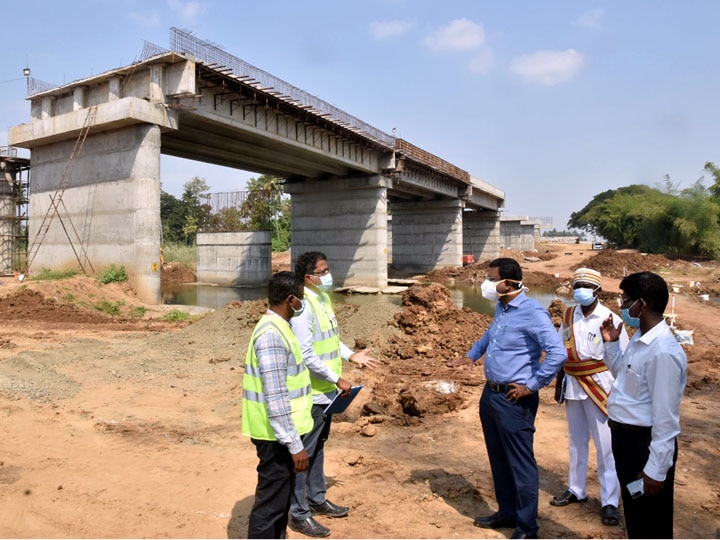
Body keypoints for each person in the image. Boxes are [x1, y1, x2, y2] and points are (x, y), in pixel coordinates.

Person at [447, 257, 566, 539]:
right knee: (498, 457)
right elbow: (491, 336)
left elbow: (558, 353)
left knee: (521, 464)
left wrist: (532, 386)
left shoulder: (533, 313)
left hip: (515, 399)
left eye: (491, 279)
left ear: (509, 283)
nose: (486, 284)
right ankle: (507, 512)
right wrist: (471, 356)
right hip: (492, 395)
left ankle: (527, 527)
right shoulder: (502, 308)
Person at [288, 251, 382, 538]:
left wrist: (351, 355)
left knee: (318, 448)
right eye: (323, 270)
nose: (328, 275)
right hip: (311, 393)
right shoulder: (302, 306)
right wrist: (337, 378)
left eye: (328, 269)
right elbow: (305, 353)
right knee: (303, 454)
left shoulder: (322, 299)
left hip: (327, 391)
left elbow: (329, 341)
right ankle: (298, 512)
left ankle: (317, 499)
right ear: (308, 277)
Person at [600, 271, 687, 538]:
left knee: (652, 524)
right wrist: (612, 344)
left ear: (643, 304)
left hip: (644, 446)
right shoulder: (639, 338)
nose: (623, 307)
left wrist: (655, 470)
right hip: (626, 442)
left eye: (626, 301)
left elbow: (666, 418)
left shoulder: (663, 351)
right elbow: (625, 381)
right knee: (637, 518)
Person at [550, 268, 627, 527]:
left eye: (584, 285)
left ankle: (609, 501)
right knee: (576, 440)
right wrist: (560, 379)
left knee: (606, 447)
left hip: (600, 385)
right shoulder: (569, 314)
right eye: (576, 285)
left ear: (597, 291)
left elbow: (621, 359)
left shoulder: (610, 318)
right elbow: (563, 349)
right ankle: (576, 489)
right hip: (573, 383)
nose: (579, 289)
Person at [241, 271, 314, 539]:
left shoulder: (281, 328)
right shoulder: (271, 335)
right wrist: (295, 445)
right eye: (301, 300)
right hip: (276, 438)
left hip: (281, 434)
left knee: (280, 504)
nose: (302, 305)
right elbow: (276, 396)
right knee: (270, 507)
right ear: (290, 299)